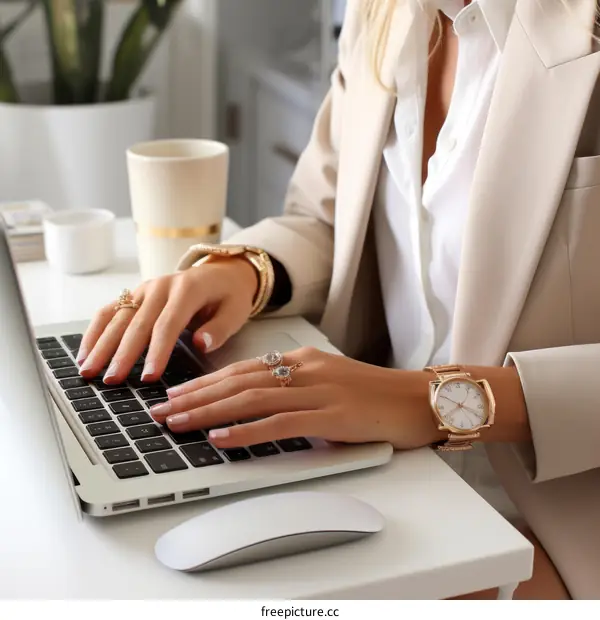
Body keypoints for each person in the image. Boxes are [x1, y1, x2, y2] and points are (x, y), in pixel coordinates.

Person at [79, 0, 600, 599]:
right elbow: (327, 217)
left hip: (558, 513)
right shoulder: (382, 14)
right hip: (391, 474)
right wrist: (243, 269)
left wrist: (434, 401)